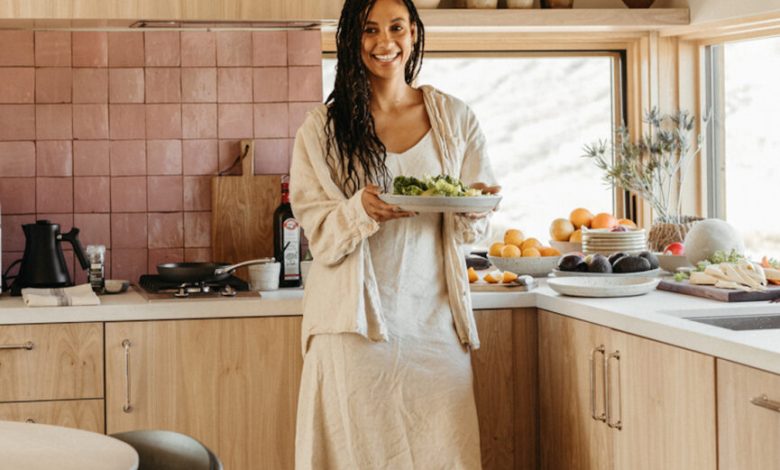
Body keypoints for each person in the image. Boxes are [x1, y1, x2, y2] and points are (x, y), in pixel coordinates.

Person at [289, 0, 499, 468]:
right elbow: (318, 233)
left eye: (396, 28)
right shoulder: (321, 130)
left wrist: (477, 202)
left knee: (442, 452)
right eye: (370, 30)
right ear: (351, 40)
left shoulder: (455, 118)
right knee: (355, 454)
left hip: (435, 326)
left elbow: (472, 224)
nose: (385, 42)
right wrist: (357, 209)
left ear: (414, 34)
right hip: (353, 330)